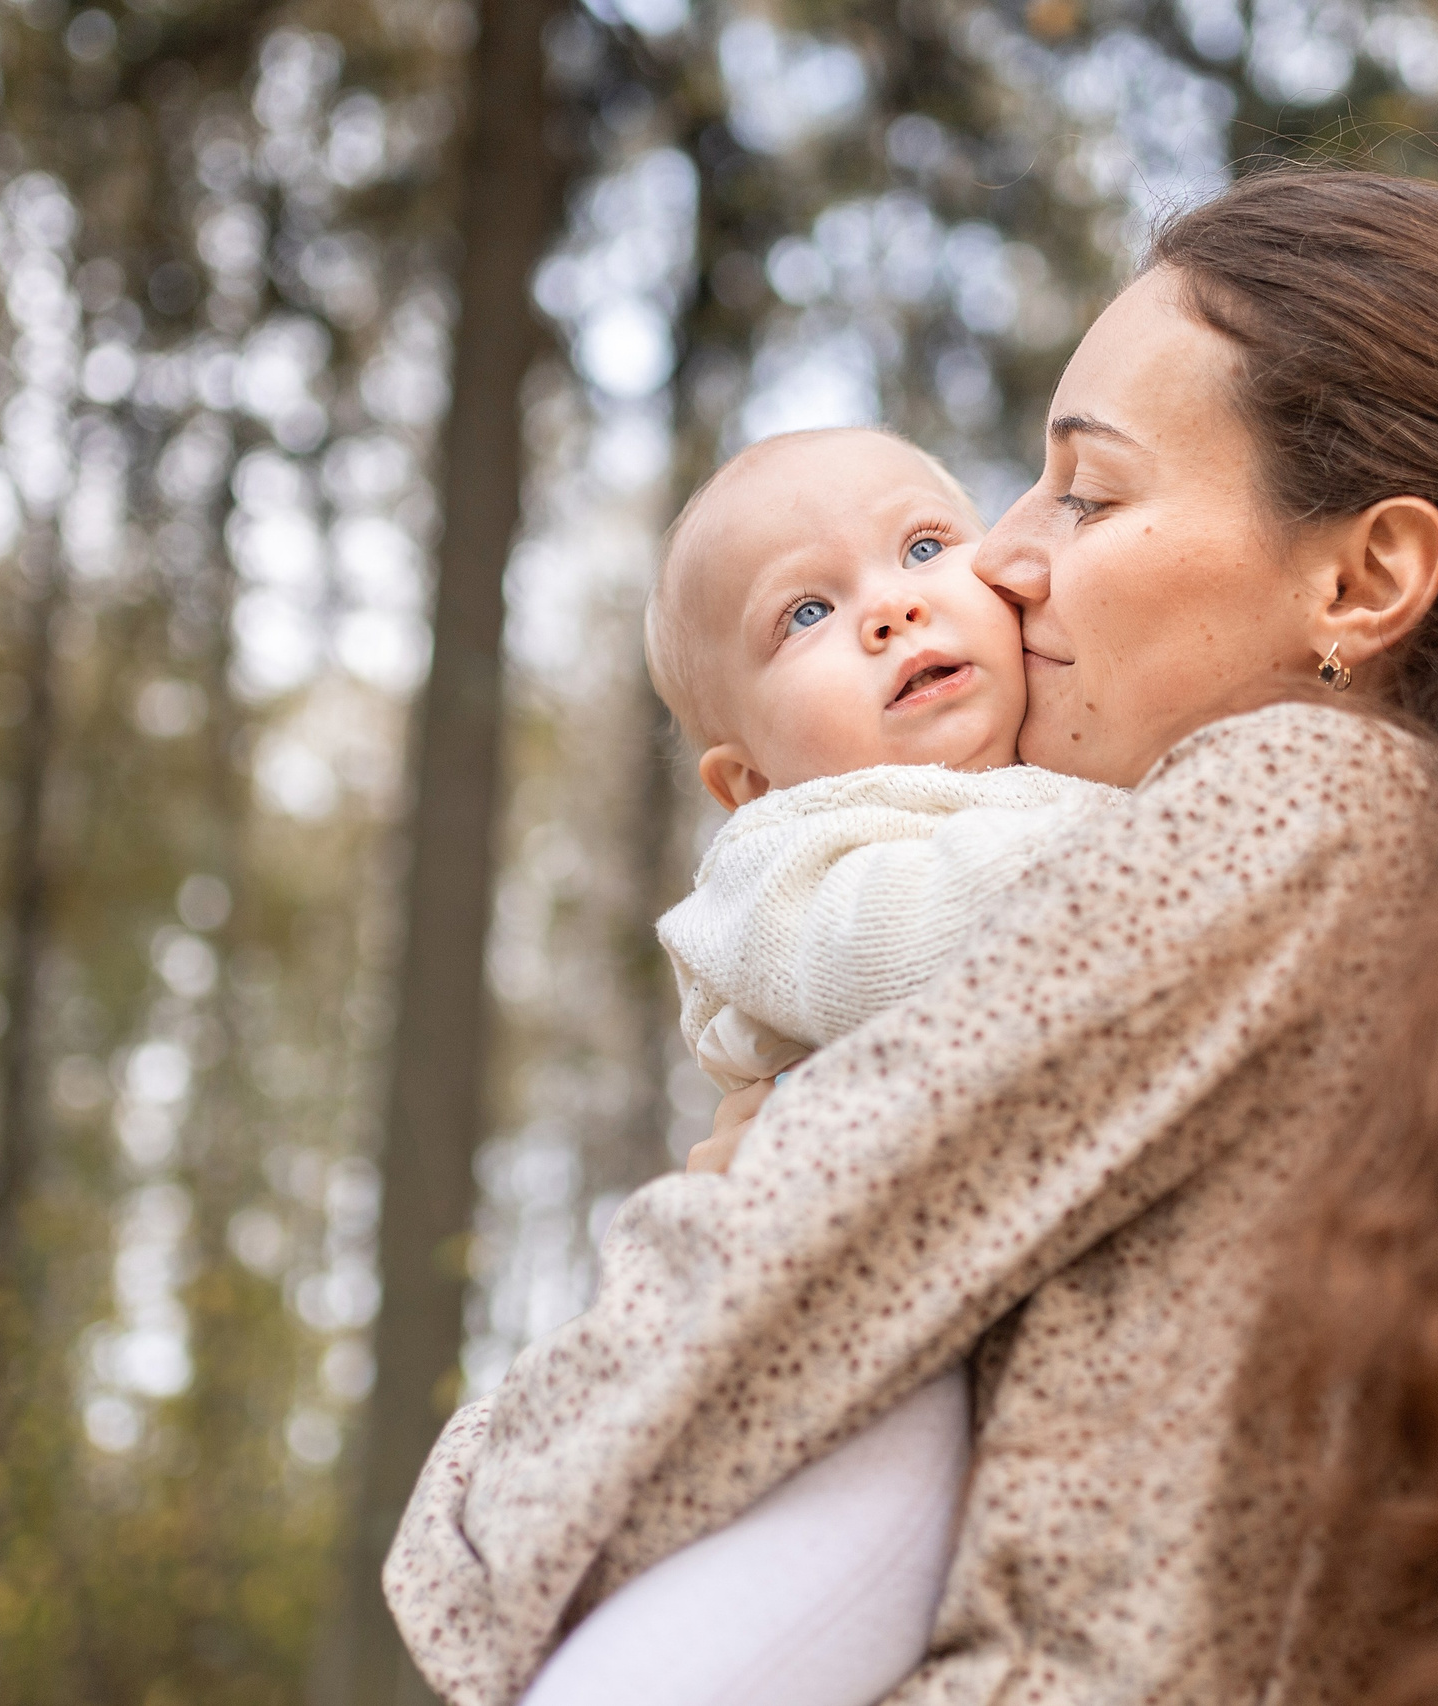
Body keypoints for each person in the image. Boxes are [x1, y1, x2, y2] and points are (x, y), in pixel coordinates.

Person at [389, 170, 1438, 1706]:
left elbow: (723, 1361)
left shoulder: (1286, 812)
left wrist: (466, 1511)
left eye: (1083, 493)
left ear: (1364, 583)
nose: (999, 557)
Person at [519, 427, 1112, 1706]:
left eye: (922, 546)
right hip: (856, 1327)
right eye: (805, 610)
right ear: (746, 777)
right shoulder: (790, 853)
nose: (892, 606)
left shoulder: (1066, 774)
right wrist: (1172, 818)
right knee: (773, 1614)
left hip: (1022, 1312)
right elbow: (901, 946)